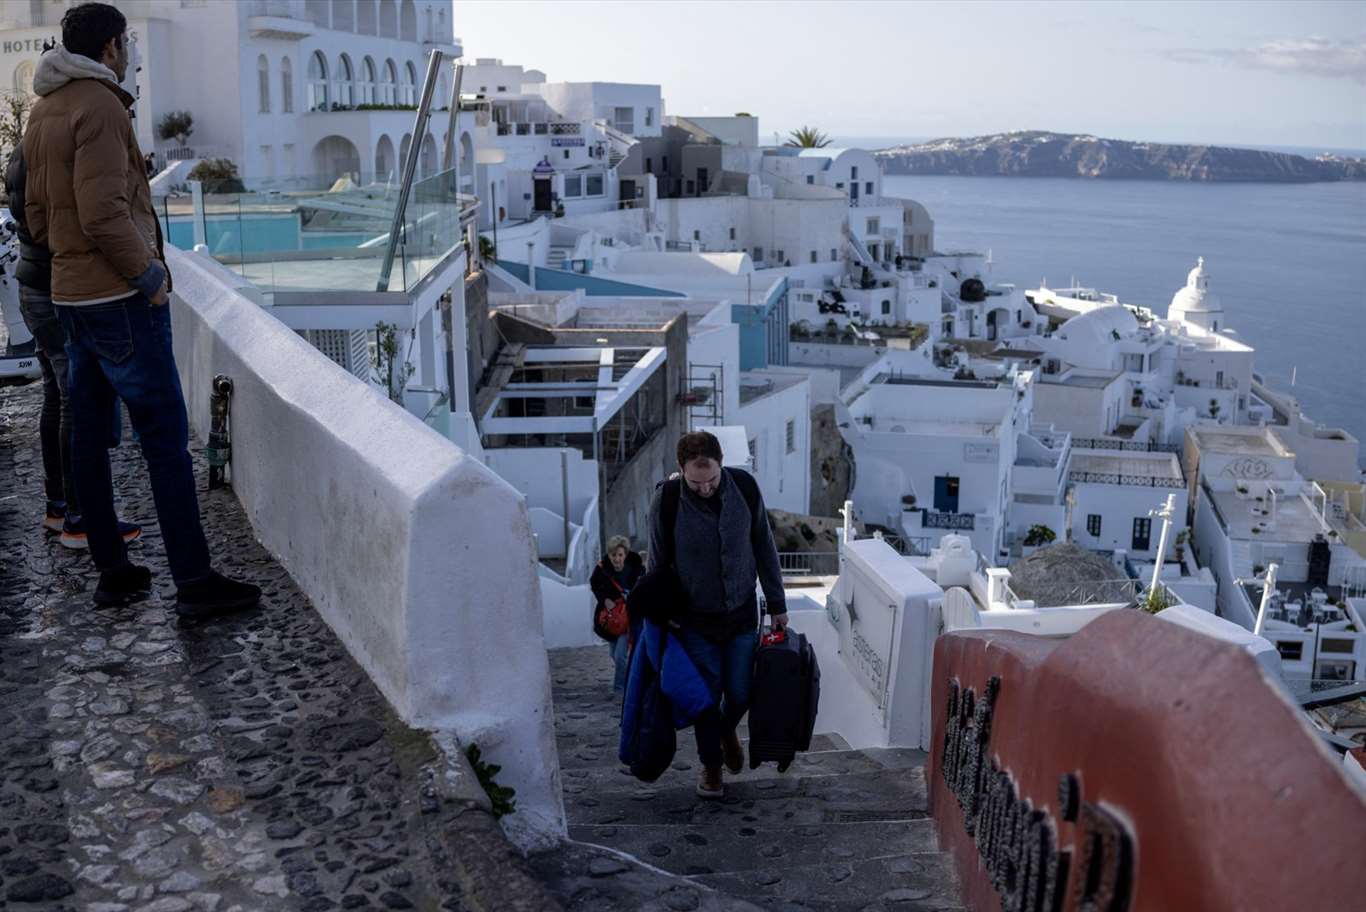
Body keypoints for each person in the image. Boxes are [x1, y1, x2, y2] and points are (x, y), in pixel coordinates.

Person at [23, 2, 260, 617]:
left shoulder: (46, 108)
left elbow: (36, 211)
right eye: (124, 44)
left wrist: (70, 263)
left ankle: (114, 571)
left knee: (87, 436)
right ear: (109, 47)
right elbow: (103, 210)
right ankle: (194, 581)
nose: (127, 55)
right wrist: (149, 276)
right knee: (163, 443)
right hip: (118, 299)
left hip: (70, 294)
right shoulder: (99, 105)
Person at [6, 144, 142, 550]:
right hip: (53, 285)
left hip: (31, 283)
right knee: (76, 401)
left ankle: (58, 506)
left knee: (56, 394)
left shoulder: (24, 148)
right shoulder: (54, 151)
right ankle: (80, 520)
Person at [648, 430, 787, 799]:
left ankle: (726, 732)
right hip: (694, 622)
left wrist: (778, 604)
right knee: (705, 700)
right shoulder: (667, 501)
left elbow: (764, 545)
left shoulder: (744, 487)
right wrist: (661, 616)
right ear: (681, 470)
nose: (706, 488)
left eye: (711, 479)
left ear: (721, 465)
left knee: (740, 693)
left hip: (741, 616)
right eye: (696, 482)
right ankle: (711, 766)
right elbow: (656, 565)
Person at [590, 534, 645, 694]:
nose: (616, 559)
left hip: (628, 618)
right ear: (609, 555)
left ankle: (620, 688)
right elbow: (594, 585)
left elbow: (643, 586)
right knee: (614, 654)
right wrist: (604, 599)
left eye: (620, 555)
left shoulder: (635, 569)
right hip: (612, 619)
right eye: (613, 555)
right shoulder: (601, 570)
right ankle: (633, 678)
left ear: (625, 555)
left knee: (621, 655)